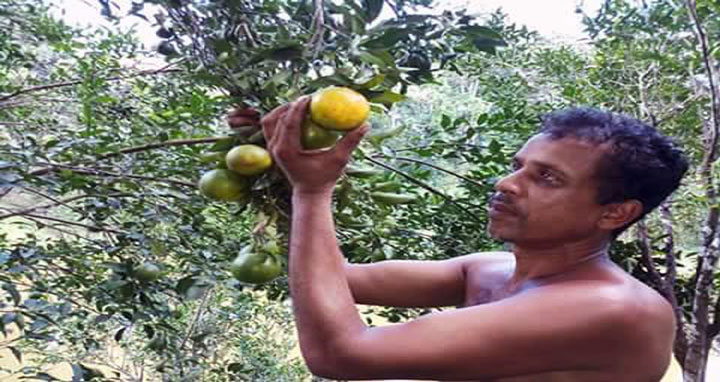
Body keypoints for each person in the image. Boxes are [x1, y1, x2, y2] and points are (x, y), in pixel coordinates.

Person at [228, 99, 688, 381]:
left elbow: (339, 354)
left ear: (615, 212)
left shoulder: (616, 309)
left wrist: (313, 189)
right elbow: (324, 279)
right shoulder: (490, 268)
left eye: (547, 178)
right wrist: (284, 160)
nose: (507, 184)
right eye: (518, 165)